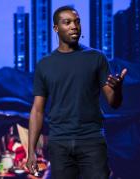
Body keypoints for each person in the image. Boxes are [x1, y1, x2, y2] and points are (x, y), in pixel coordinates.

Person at [26, 6, 127, 179]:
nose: (74, 26)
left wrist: (117, 89)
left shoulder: (96, 58)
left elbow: (114, 103)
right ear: (56, 28)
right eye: (67, 22)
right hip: (59, 143)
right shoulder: (44, 64)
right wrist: (31, 151)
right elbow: (37, 110)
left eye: (77, 22)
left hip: (92, 141)